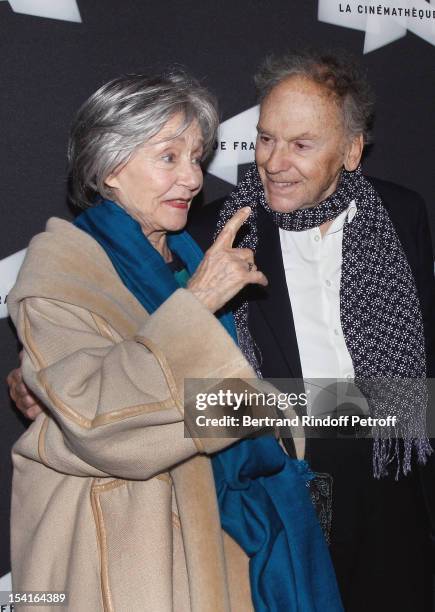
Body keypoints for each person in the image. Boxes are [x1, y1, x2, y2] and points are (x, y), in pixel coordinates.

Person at [6, 71, 343, 611]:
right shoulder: (68, 270)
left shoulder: (196, 256)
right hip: (133, 550)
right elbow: (104, 421)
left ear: (352, 149)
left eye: (197, 156)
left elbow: (268, 397)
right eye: (169, 157)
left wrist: (404, 411)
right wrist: (197, 308)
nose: (192, 178)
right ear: (110, 166)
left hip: (244, 524)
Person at [186, 51, 435, 611]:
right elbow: (194, 402)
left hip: (396, 480)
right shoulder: (213, 235)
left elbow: (421, 380)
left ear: (350, 151)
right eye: (266, 138)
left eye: (301, 145)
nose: (274, 162)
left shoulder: (401, 214)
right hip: (284, 491)